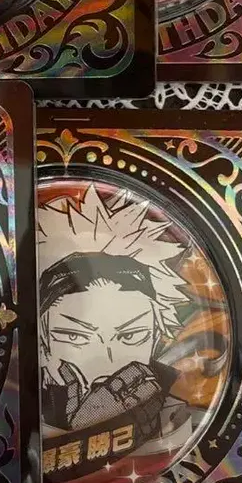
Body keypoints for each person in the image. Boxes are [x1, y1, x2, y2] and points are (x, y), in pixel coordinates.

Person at [38, 186, 194, 459]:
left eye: (131, 336)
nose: (107, 365)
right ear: (43, 341)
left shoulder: (181, 423)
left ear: (156, 338)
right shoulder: (6, 413)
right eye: (75, 337)